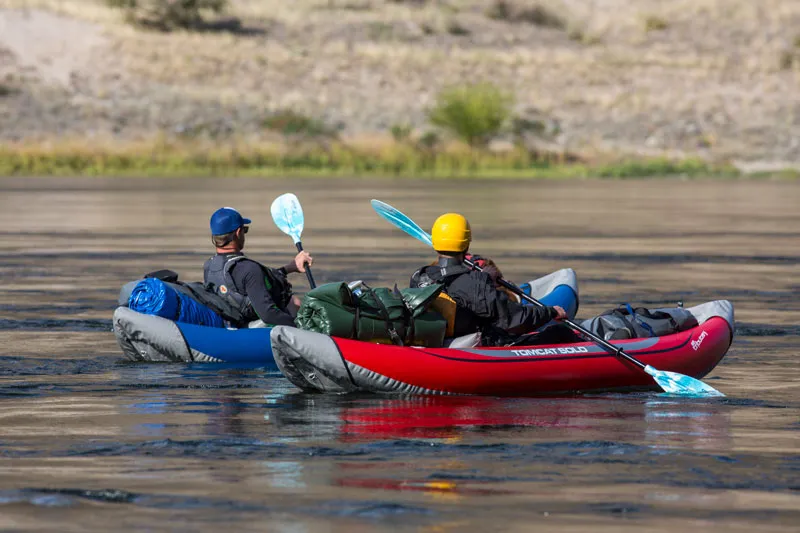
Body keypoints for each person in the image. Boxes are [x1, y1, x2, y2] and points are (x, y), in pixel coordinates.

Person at [410, 213, 578, 346]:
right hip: (479, 347)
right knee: (561, 333)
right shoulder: (474, 283)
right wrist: (551, 312)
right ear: (467, 244)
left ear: (435, 243)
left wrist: (486, 280)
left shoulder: (420, 276)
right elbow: (513, 319)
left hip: (441, 343)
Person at [203, 207, 312, 327]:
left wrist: (289, 268)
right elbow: (269, 315)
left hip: (231, 323)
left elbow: (242, 283)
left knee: (293, 302)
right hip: (252, 331)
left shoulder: (209, 266)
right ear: (238, 232)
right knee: (293, 304)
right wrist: (302, 327)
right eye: (245, 230)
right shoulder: (249, 269)